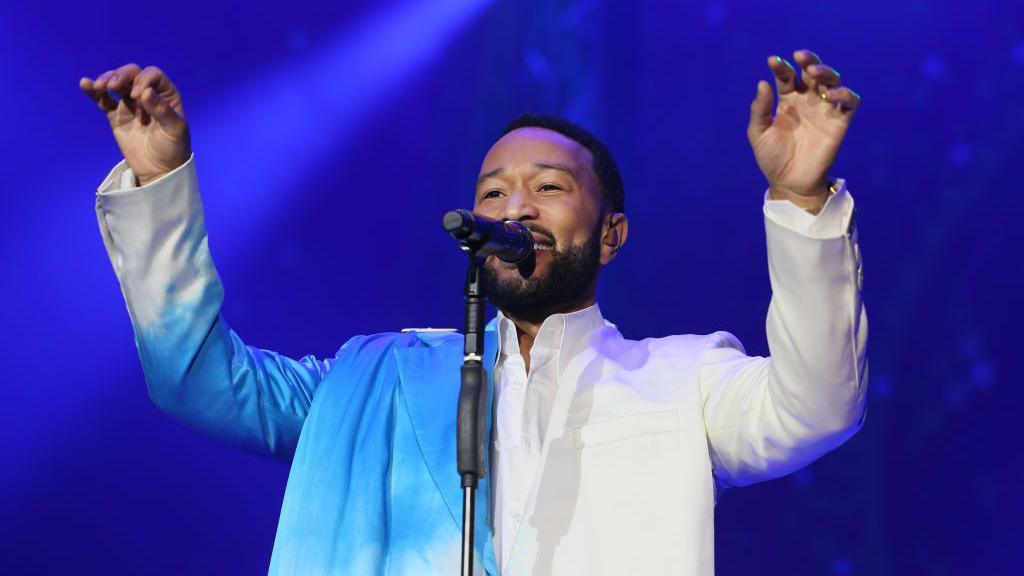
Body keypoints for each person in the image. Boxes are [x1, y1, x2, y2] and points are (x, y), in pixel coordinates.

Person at [82, 48, 867, 575]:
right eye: (493, 192)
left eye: (549, 187)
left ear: (612, 235)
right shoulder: (375, 377)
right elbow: (196, 379)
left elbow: (819, 406)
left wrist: (799, 201)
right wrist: (160, 186)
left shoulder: (684, 381)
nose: (514, 205)